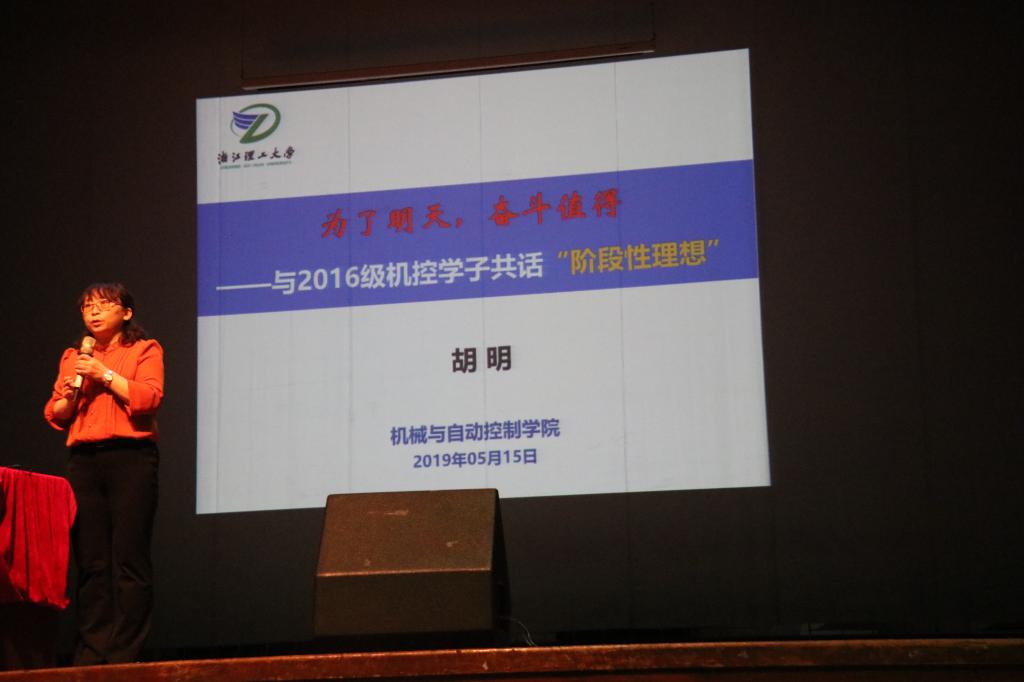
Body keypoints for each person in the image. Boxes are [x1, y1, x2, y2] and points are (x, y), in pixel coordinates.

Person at [43, 283, 164, 665]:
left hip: (131, 458)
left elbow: (149, 398)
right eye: (87, 307)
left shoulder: (144, 349)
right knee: (92, 560)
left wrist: (103, 373)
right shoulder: (73, 356)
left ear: (126, 313)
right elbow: (57, 414)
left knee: (129, 557)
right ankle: (93, 650)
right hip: (84, 461)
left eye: (104, 305)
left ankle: (125, 652)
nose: (93, 312)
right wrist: (71, 394)